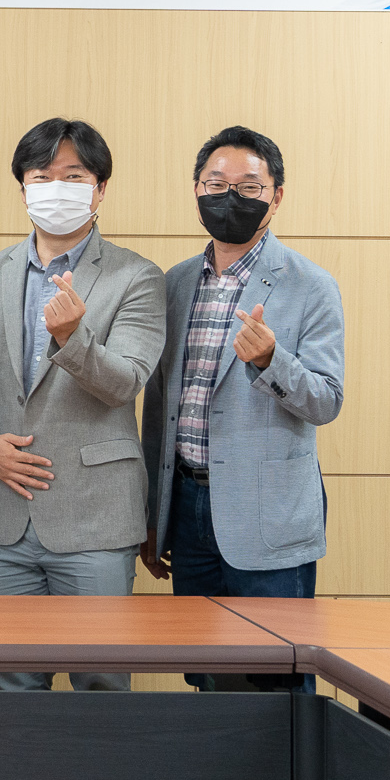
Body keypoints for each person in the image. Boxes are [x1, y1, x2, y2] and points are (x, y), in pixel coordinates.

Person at [0, 118, 166, 692]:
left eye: (74, 176)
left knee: (102, 687)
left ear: (100, 189)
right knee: (12, 687)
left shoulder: (137, 277)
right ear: (23, 189)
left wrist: (72, 340)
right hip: (2, 518)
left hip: (96, 519)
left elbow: (126, 383)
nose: (56, 188)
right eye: (42, 176)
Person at [141, 125, 345, 692]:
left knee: (277, 678)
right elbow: (158, 408)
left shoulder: (311, 285)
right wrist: (153, 514)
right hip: (186, 507)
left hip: (268, 514)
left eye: (249, 187)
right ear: (197, 191)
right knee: (205, 675)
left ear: (275, 197)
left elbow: (327, 400)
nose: (229, 197)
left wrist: (272, 360)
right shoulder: (175, 283)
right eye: (216, 183)